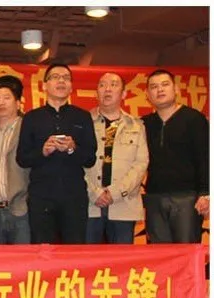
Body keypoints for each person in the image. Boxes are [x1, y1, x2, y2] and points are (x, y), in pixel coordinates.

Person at [16, 63, 97, 243]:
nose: (61, 81)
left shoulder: (83, 117)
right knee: (43, 249)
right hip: (41, 196)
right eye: (55, 77)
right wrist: (43, 151)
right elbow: (22, 158)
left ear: (71, 87)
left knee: (75, 248)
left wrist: (72, 149)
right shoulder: (31, 117)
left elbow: (90, 158)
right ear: (45, 86)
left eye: (66, 78)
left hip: (74, 196)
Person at [142, 69, 209, 243]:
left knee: (186, 250)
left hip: (187, 197)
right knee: (159, 253)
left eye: (165, 85)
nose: (160, 90)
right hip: (154, 197)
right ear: (147, 94)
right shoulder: (144, 124)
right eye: (154, 87)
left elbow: (205, 158)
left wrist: (206, 193)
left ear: (176, 89)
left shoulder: (194, 119)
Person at [85, 73, 148, 244]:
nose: (107, 89)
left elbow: (141, 164)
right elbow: (74, 162)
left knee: (122, 258)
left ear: (124, 93)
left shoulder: (136, 125)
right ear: (96, 93)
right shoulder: (82, 122)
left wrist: (115, 192)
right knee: (87, 257)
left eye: (113, 85)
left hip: (124, 205)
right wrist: (94, 192)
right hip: (89, 204)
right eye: (102, 85)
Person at [0, 76, 30, 244]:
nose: (1, 103)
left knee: (24, 259)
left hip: (20, 209)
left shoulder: (27, 129)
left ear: (18, 103)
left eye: (6, 98)